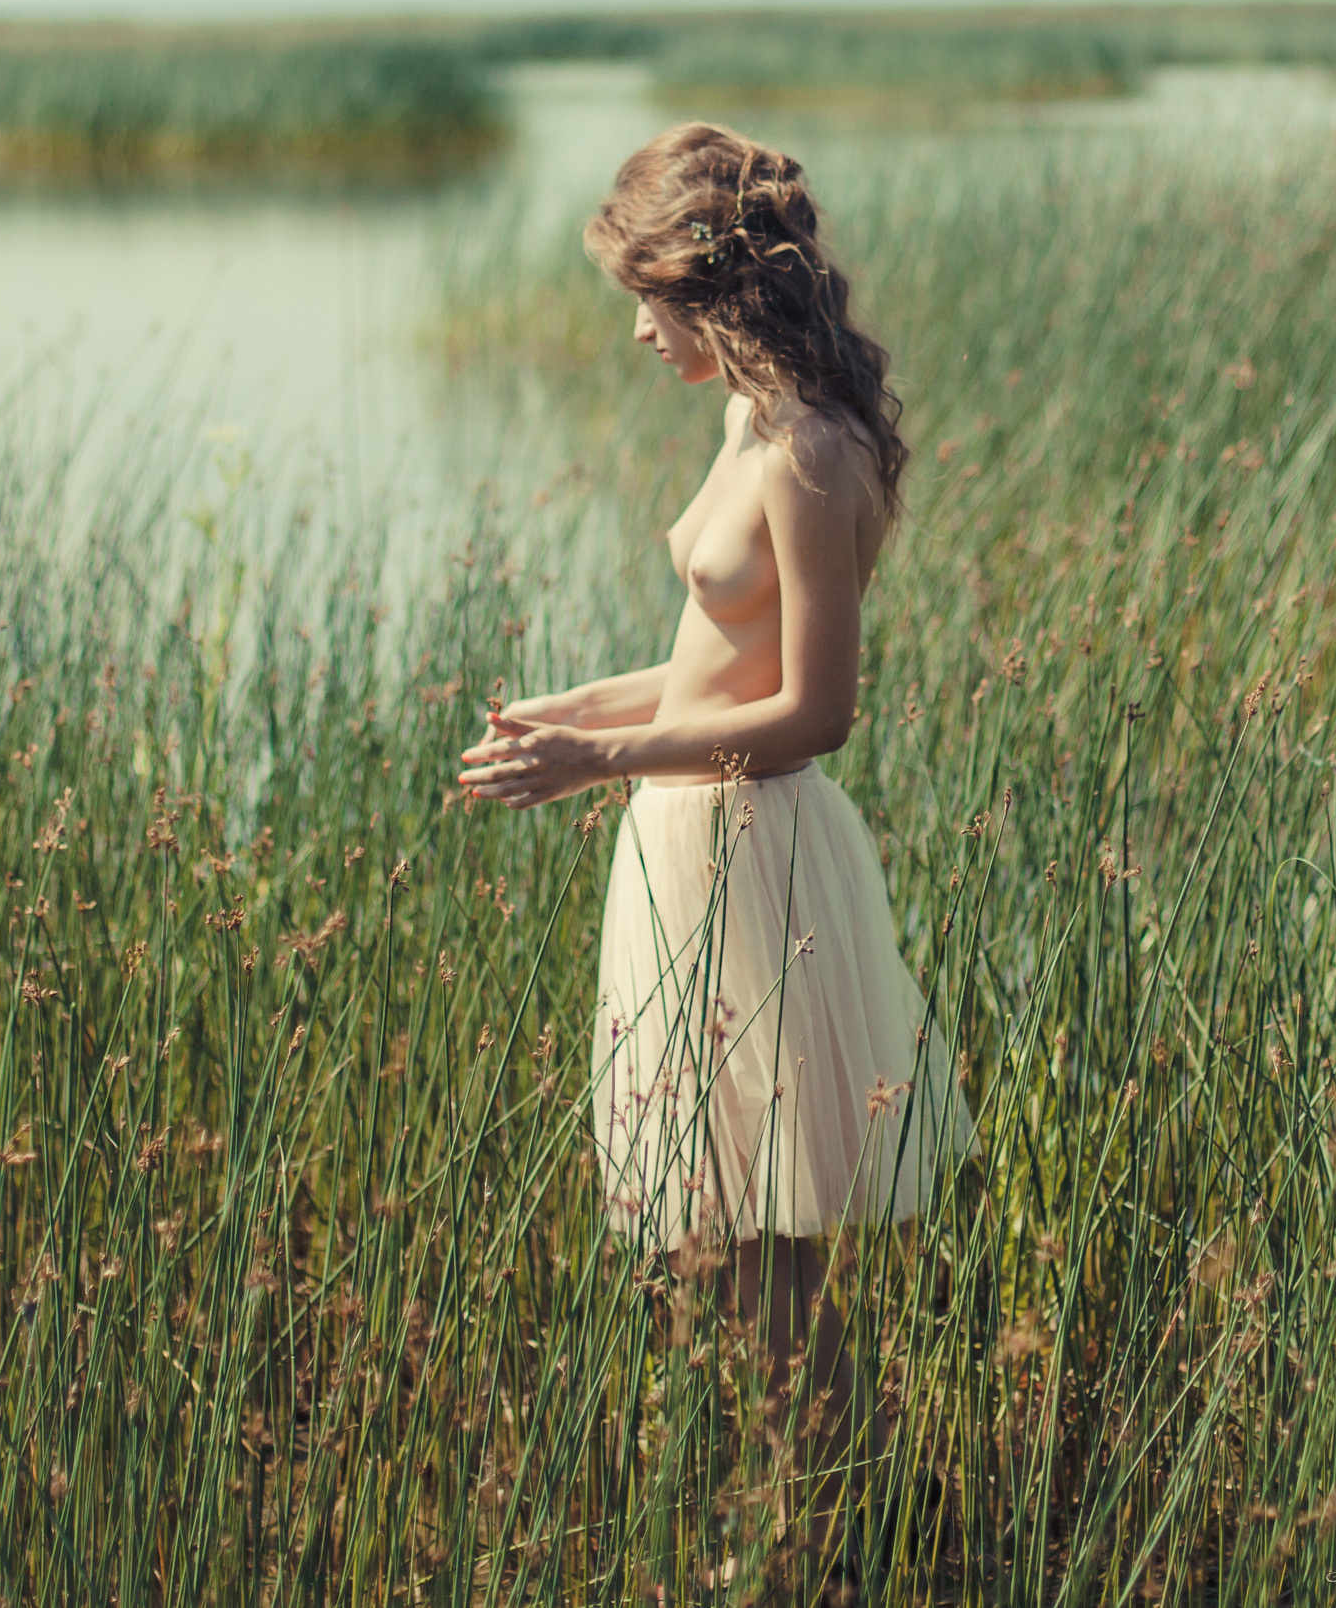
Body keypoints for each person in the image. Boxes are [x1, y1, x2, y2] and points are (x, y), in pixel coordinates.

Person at [456, 121, 977, 1595]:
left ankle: (849, 1536)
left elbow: (816, 713)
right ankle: (815, 1521)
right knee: (711, 1247)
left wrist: (596, 761)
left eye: (649, 296)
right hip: (682, 841)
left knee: (766, 1262)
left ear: (713, 280)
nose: (636, 330)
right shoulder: (747, 419)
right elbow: (707, 669)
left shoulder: (809, 449)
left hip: (757, 859)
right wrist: (575, 712)